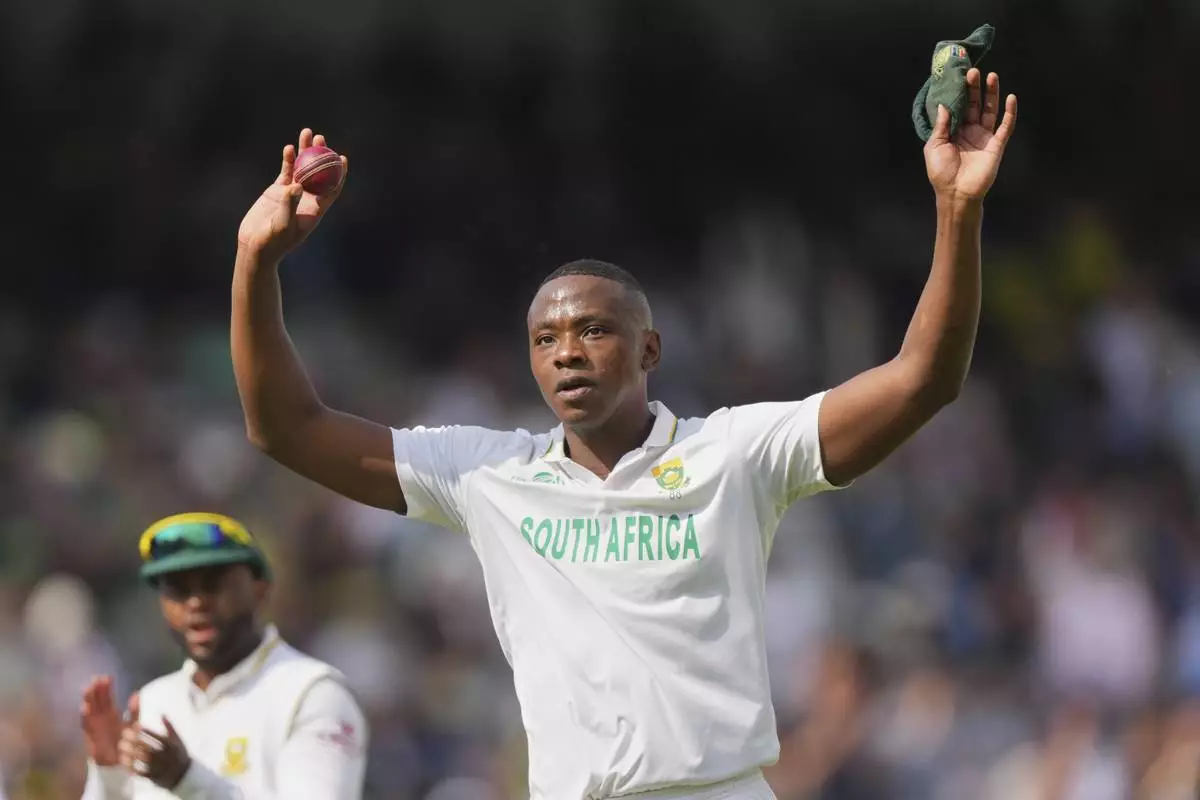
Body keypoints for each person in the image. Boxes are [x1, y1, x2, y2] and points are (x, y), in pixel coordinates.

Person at [231, 69, 1016, 799]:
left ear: (650, 349)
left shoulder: (735, 454)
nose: (566, 350)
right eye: (545, 339)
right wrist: (255, 262)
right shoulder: (485, 475)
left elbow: (923, 379)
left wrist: (958, 209)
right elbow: (287, 428)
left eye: (593, 330)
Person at [79, 512, 369, 799]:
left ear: (260, 590)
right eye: (178, 590)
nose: (196, 602)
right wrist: (109, 773)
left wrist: (186, 780)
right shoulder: (153, 704)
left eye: (213, 585)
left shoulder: (312, 694)